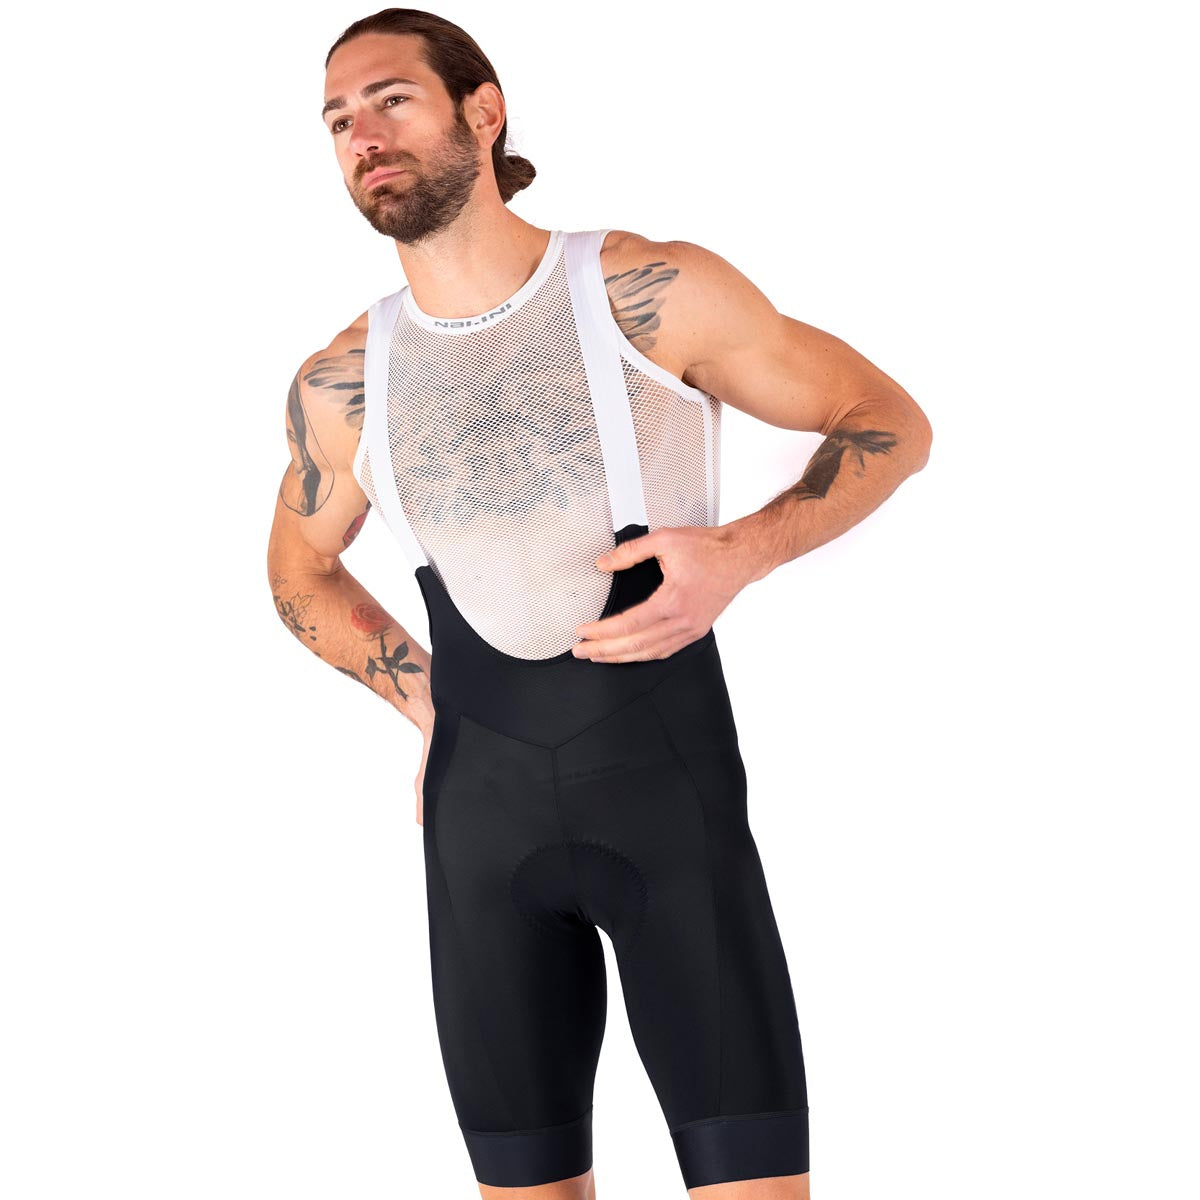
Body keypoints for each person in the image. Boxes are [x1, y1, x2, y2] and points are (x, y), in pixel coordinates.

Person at [266, 9, 932, 1199]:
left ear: (483, 110)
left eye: (391, 100)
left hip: (672, 820)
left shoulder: (641, 292)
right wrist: (426, 698)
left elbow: (888, 422)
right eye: (338, 120)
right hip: (481, 841)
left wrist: (741, 552)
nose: (362, 134)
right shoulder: (345, 379)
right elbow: (297, 569)